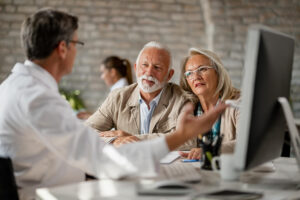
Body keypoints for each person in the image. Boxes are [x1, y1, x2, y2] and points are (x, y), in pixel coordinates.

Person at [0, 8, 227, 199]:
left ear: (169, 74)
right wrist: (177, 136)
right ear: (63, 48)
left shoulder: (12, 86)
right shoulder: (39, 98)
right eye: (77, 44)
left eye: (157, 67)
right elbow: (106, 161)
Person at [85, 41, 195, 150]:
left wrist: (134, 140)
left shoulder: (181, 99)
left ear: (169, 75)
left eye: (157, 67)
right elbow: (86, 131)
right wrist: (114, 141)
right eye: (144, 65)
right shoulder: (117, 97)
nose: (149, 72)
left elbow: (189, 140)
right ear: (136, 68)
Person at [179, 48, 240, 160]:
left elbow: (247, 141)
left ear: (218, 72)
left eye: (202, 69)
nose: (196, 77)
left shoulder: (238, 103)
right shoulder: (188, 108)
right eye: (189, 73)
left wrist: (211, 150)